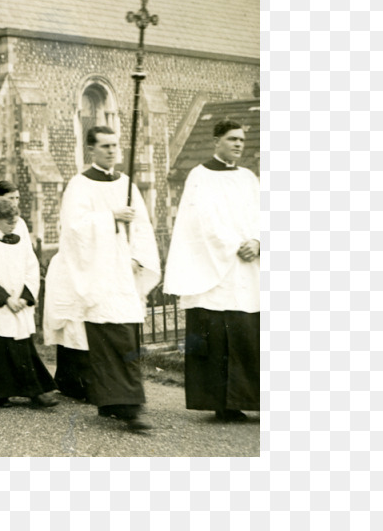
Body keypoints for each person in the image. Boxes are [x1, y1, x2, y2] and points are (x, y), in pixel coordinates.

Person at [43, 126, 160, 430]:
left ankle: (116, 404)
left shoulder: (128, 184)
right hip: (97, 273)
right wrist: (111, 217)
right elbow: (73, 228)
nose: (111, 151)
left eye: (115, 145)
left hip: (125, 273)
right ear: (90, 149)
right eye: (105, 146)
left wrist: (138, 257)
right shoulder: (79, 185)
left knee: (126, 335)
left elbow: (143, 226)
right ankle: (127, 407)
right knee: (111, 339)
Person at [164, 119, 260, 422]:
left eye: (242, 140)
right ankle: (222, 403)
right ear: (216, 141)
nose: (238, 144)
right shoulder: (199, 176)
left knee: (247, 334)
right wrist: (236, 246)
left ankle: (251, 399)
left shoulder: (248, 178)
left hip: (247, 270)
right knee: (218, 338)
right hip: (214, 270)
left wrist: (258, 242)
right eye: (232, 139)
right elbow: (203, 223)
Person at [0, 199, 58, 408]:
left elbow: (31, 268)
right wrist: (5, 299)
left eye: (15, 222)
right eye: (8, 223)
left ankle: (35, 391)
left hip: (19, 302)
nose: (13, 226)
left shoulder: (20, 240)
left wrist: (25, 296)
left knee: (21, 346)